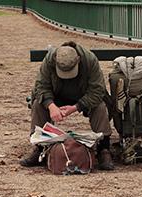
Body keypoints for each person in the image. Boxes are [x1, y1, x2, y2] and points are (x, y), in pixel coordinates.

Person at [20, 41, 114, 170]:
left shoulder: (90, 60)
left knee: (100, 106)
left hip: (83, 95)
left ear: (79, 60)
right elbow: (41, 86)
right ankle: (39, 147)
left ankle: (104, 149)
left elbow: (97, 90)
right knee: (38, 105)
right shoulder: (49, 60)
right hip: (56, 95)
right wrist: (51, 105)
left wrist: (76, 107)